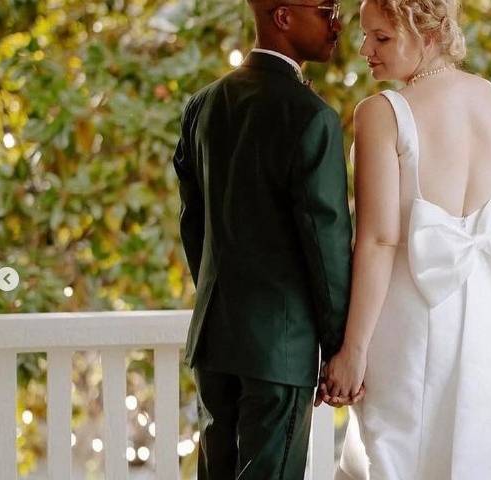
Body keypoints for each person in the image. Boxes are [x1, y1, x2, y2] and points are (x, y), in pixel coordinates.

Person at [320, 0, 491, 477]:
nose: (365, 49)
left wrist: (354, 349)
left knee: (399, 456)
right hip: (480, 319)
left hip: (406, 321)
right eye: (365, 35)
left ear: (428, 34)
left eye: (381, 37)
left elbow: (380, 240)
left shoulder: (382, 113)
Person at [172, 0, 362, 477]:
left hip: (215, 340)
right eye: (326, 9)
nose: (337, 22)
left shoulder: (203, 105)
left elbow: (193, 225)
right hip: (281, 346)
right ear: (283, 17)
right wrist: (340, 346)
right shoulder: (310, 115)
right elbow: (327, 245)